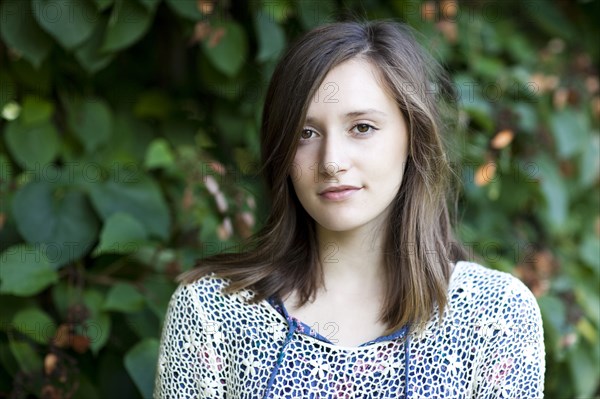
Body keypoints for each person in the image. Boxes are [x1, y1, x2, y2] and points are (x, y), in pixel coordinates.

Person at [154, 20, 545, 398]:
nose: (331, 162)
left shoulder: (494, 316)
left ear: (414, 138)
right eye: (306, 133)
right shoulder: (211, 313)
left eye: (361, 128)